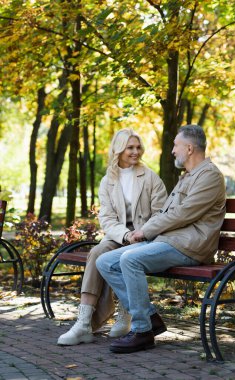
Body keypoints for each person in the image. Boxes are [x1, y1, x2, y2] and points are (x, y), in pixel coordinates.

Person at [96, 124, 226, 353]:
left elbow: (183, 214)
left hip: (190, 246)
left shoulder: (209, 176)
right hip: (169, 241)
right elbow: (167, 214)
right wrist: (145, 232)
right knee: (104, 262)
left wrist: (145, 231)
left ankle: (143, 330)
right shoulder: (188, 176)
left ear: (189, 148)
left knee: (130, 260)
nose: (172, 151)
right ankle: (150, 317)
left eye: (175, 146)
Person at [57, 128, 168, 345]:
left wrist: (142, 233)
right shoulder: (107, 181)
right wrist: (126, 235)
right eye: (130, 148)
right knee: (98, 253)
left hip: (146, 237)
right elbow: (106, 219)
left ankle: (124, 313)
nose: (136, 152)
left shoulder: (150, 177)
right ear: (119, 149)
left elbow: (161, 214)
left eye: (138, 147)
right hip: (120, 236)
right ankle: (83, 321)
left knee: (114, 259)